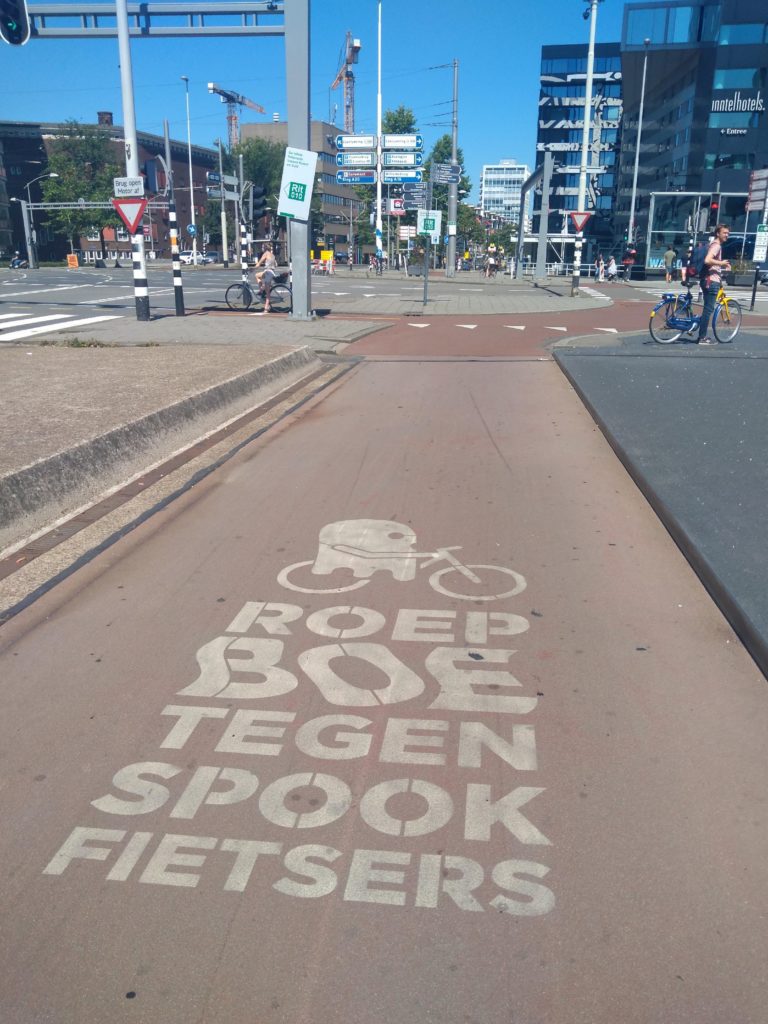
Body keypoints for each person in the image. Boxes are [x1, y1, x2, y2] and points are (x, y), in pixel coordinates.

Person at [696, 224, 731, 345]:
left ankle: (700, 332)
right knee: (708, 309)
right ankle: (702, 337)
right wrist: (721, 263)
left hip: (707, 279)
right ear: (718, 233)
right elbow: (707, 260)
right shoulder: (716, 246)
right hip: (711, 281)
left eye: (727, 233)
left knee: (707, 308)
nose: (727, 235)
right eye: (724, 232)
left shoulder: (713, 245)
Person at [253, 242, 278, 312]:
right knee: (257, 275)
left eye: (262, 247)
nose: (262, 248)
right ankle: (261, 290)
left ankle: (266, 307)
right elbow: (276, 264)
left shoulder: (266, 253)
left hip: (268, 272)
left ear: (265, 248)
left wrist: (251, 269)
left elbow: (258, 264)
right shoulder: (273, 255)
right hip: (271, 272)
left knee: (267, 292)